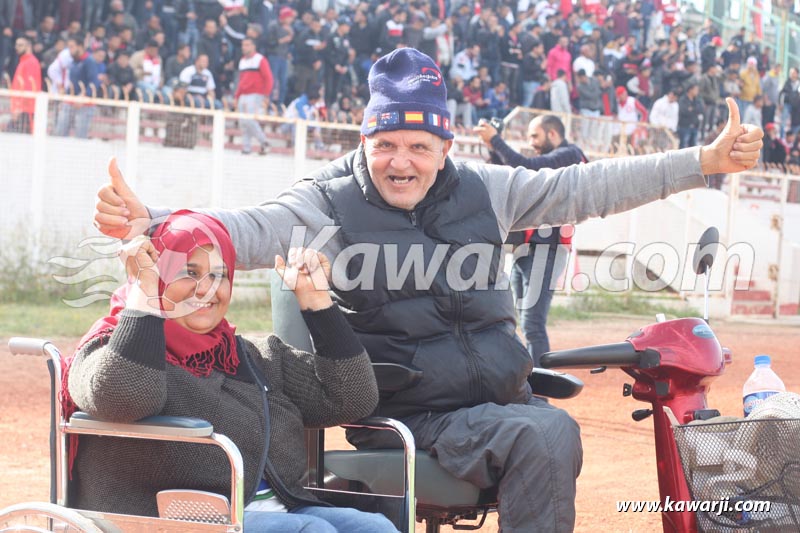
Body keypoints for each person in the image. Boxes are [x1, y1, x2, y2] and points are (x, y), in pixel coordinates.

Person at [94, 48, 763, 533]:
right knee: (548, 434)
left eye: (419, 144)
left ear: (444, 145)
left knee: (541, 424)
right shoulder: (327, 203)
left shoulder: (486, 189)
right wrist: (158, 225)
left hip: (499, 403)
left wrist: (701, 162)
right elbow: (244, 228)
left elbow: (581, 188)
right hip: (415, 412)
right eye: (385, 143)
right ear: (365, 138)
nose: (401, 161)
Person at [64, 209, 396, 532]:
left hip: (281, 508)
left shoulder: (250, 356)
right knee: (310, 529)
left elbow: (351, 398)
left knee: (372, 526)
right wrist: (147, 293)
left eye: (219, 275)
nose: (207, 289)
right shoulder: (108, 348)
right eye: (188, 272)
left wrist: (318, 303)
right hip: (171, 520)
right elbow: (124, 397)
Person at [474, 114, 586, 364]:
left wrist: (497, 140)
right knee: (521, 321)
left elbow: (526, 167)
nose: (531, 141)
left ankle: (541, 392)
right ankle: (530, 386)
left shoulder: (571, 154)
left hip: (548, 248)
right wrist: (494, 145)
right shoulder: (559, 156)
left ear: (553, 134)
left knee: (533, 324)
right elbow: (507, 172)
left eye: (535, 136)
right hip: (527, 248)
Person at [234, 37, 272, 155]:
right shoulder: (242, 61)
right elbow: (241, 81)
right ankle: (246, 147)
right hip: (244, 94)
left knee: (249, 120)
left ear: (253, 46)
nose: (244, 47)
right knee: (243, 122)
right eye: (243, 45)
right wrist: (237, 96)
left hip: (255, 94)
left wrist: (266, 94)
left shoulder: (260, 59)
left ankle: (264, 141)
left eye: (247, 45)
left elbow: (268, 78)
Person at [8, 36, 41, 134]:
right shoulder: (24, 61)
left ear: (28, 46)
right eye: (16, 45)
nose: (17, 47)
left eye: (20, 45)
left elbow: (29, 87)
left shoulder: (30, 62)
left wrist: (19, 107)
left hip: (25, 110)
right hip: (22, 109)